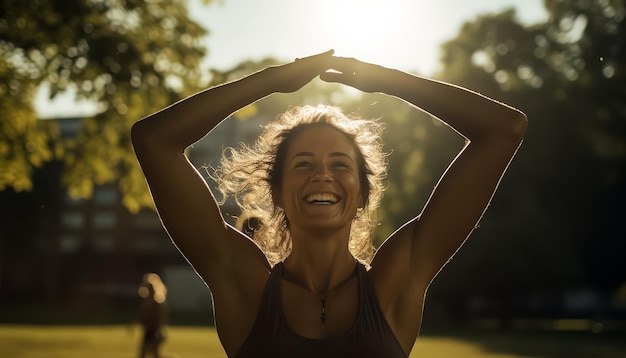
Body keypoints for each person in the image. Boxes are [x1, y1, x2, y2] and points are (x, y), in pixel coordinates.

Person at [131, 50, 527, 357]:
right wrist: (270, 81)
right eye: (304, 164)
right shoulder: (241, 280)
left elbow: (505, 130)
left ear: (363, 194)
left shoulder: (397, 279)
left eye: (339, 164)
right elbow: (153, 140)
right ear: (279, 191)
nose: (322, 174)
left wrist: (389, 81)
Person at [136, 273, 168, 358]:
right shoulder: (148, 301)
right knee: (149, 354)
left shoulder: (156, 302)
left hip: (153, 331)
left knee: (150, 353)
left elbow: (159, 318)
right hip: (149, 330)